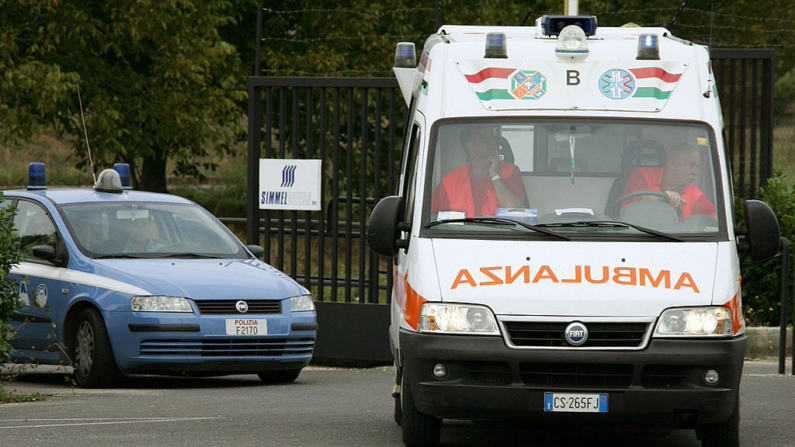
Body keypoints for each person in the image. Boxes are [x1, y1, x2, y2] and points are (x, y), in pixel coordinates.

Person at [431, 126, 525, 217]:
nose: (491, 142)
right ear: (470, 146)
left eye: (492, 138)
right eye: (484, 138)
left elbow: (515, 210)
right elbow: (435, 220)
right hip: (461, 233)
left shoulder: (510, 171)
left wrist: (495, 175)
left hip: (502, 233)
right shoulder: (450, 181)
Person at [621, 142, 716, 221]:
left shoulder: (694, 193)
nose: (696, 173)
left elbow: (715, 219)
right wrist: (664, 197)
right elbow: (633, 207)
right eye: (691, 165)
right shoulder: (642, 175)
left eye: (697, 167)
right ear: (673, 164)